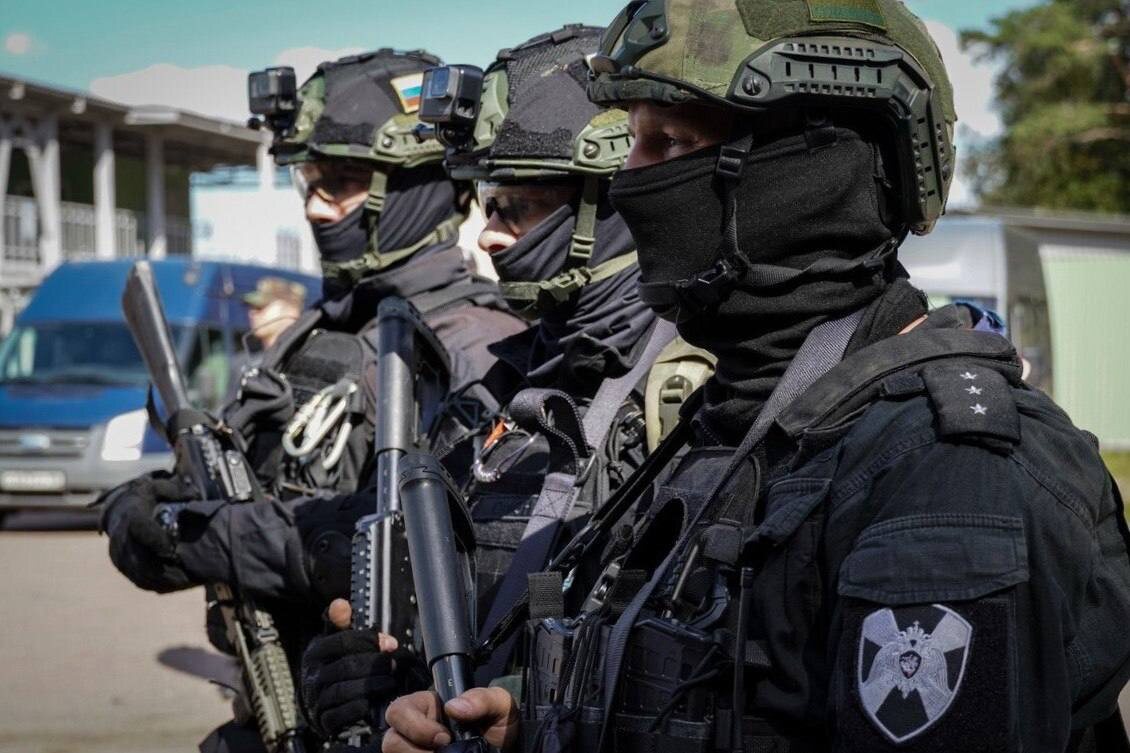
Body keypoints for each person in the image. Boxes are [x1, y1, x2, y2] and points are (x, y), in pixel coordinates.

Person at [380, 2, 1130, 752]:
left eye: (672, 141)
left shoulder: (944, 474)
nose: (629, 180)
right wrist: (529, 728)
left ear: (815, 173)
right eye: (633, 141)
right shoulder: (736, 423)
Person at [98, 48, 526, 753]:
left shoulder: (476, 346)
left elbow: (433, 540)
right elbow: (238, 477)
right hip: (275, 701)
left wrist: (206, 535)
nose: (315, 207)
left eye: (344, 184)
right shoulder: (319, 328)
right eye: (310, 183)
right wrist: (155, 513)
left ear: (417, 188)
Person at [297, 24, 714, 747]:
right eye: (489, 205)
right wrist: (386, 678)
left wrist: (524, 713)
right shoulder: (507, 383)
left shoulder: (694, 391)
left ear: (607, 205)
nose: (488, 234)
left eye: (517, 208)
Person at [244, 276, 306, 351]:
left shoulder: (307, 354)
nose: (252, 313)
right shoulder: (248, 357)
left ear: (291, 310)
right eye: (251, 307)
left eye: (260, 307)